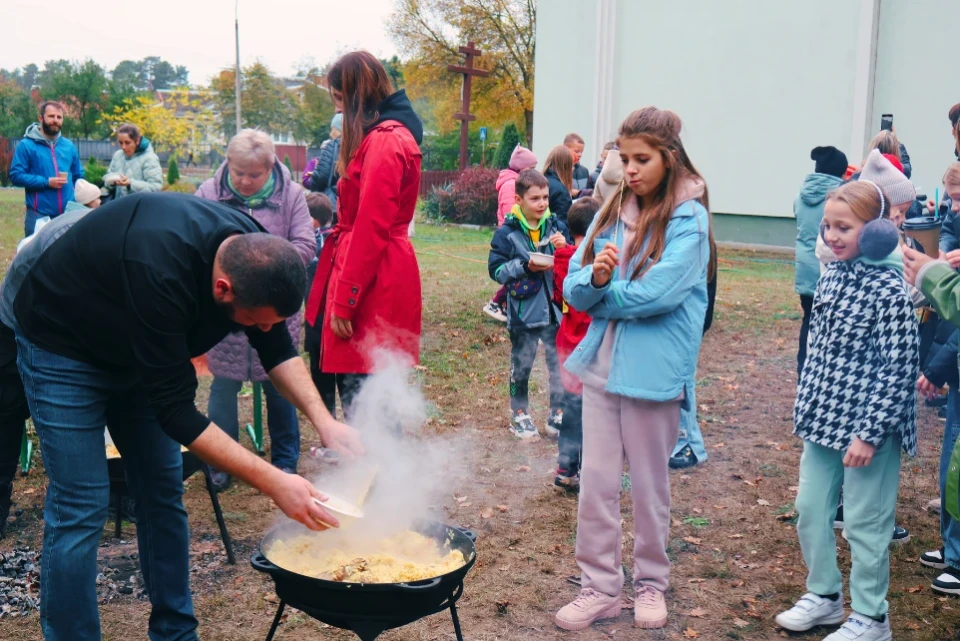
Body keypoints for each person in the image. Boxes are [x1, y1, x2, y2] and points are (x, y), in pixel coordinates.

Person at [10, 192, 362, 640]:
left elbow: (276, 348)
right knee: (82, 505)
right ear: (223, 289)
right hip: (62, 343)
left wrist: (325, 421)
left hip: (139, 347)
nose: (264, 330)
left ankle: (176, 633)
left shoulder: (251, 251)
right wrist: (274, 481)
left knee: (162, 492)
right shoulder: (159, 269)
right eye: (257, 321)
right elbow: (176, 413)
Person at [555, 107, 714, 631]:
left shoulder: (690, 219)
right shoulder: (609, 211)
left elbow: (660, 293)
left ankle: (650, 583)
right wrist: (596, 282)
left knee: (649, 487)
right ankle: (599, 587)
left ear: (669, 159)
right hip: (602, 371)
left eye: (641, 159)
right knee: (597, 485)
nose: (631, 170)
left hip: (654, 376)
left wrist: (604, 293)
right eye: (624, 159)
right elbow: (572, 288)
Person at [777, 181, 917, 641]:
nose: (833, 237)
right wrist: (808, 405)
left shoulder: (889, 290)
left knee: (864, 523)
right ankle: (825, 596)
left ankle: (872, 618)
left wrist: (869, 434)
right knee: (810, 509)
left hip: (868, 430)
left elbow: (898, 369)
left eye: (845, 228)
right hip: (824, 420)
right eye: (828, 226)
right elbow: (817, 351)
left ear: (876, 231)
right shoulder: (832, 274)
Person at [303, 51, 423, 419]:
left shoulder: (386, 142)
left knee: (368, 396)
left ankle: (381, 474)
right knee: (361, 390)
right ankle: (370, 470)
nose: (337, 110)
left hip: (375, 275)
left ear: (355, 96)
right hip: (368, 265)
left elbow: (373, 226)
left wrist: (346, 299)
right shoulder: (379, 137)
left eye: (339, 99)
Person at [196, 130, 316, 491]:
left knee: (281, 387)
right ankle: (221, 461)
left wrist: (265, 269)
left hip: (273, 309)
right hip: (229, 309)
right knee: (223, 386)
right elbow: (200, 248)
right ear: (228, 166)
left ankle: (284, 461)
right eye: (239, 173)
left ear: (271, 168)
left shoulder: (292, 195)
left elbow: (306, 244)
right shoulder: (208, 194)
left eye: (254, 175)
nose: (245, 182)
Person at [488, 169, 565, 439]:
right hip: (524, 311)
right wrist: (523, 266)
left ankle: (558, 412)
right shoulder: (507, 233)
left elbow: (572, 261)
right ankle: (519, 414)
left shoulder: (556, 226)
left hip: (555, 310)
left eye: (545, 197)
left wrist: (564, 247)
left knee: (559, 363)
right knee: (522, 364)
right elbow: (496, 270)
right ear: (519, 200)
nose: (542, 203)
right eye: (535, 198)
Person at [552, 197, 599, 489]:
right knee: (592, 414)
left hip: (566, 345)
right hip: (589, 348)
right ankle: (590, 471)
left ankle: (566, 468)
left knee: (571, 409)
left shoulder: (562, 259)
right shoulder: (596, 264)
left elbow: (559, 297)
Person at [794, 146, 847, 376]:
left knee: (808, 320)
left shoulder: (801, 194)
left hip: (804, 269)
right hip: (828, 269)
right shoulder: (840, 198)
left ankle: (803, 370)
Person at [9, 100, 84, 237]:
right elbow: (16, 175)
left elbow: (79, 175)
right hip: (38, 214)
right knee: (36, 257)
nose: (55, 120)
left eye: (59, 117)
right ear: (41, 118)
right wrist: (46, 182)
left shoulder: (68, 146)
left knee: (65, 257)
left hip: (67, 214)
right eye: (51, 116)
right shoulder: (26, 145)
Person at [482, 145, 538, 322]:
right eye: (530, 169)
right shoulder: (511, 185)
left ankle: (504, 303)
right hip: (511, 236)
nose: (533, 173)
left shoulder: (517, 183)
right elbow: (510, 212)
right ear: (520, 168)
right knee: (515, 272)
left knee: (520, 271)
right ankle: (496, 303)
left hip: (518, 233)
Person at [302, 191, 338, 415]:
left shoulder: (312, 241)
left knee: (321, 373)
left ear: (312, 220)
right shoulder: (338, 237)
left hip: (317, 319)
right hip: (337, 318)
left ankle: (329, 420)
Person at [102, 123, 163, 200]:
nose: (123, 147)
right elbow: (107, 182)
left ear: (137, 141)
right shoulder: (118, 155)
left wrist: (130, 183)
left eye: (127, 143)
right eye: (120, 143)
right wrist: (111, 182)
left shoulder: (150, 158)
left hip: (139, 208)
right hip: (118, 206)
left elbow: (155, 188)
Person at [308, 112, 343, 216]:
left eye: (333, 129)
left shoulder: (332, 146)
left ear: (340, 129)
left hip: (332, 203)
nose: (330, 133)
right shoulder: (358, 145)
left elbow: (322, 175)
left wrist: (313, 176)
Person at [543, 145, 575, 227]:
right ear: (566, 166)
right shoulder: (561, 191)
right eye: (572, 165)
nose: (573, 169)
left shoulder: (541, 181)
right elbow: (562, 224)